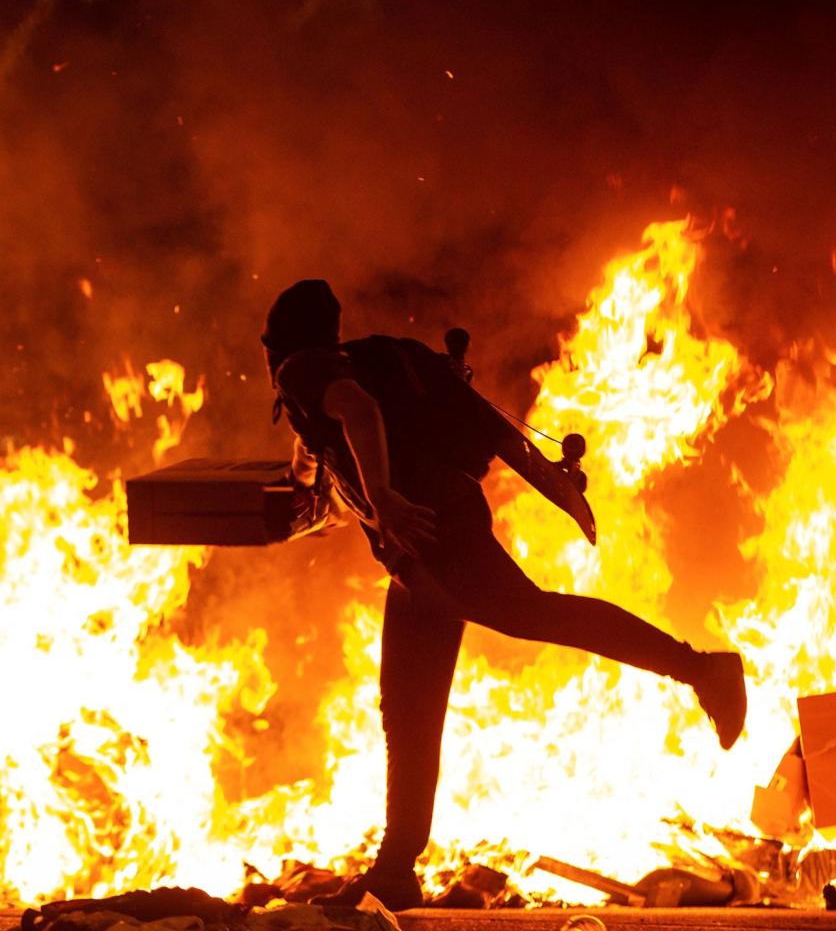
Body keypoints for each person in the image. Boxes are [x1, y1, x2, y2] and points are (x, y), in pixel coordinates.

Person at [261, 279, 747, 911]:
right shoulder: (338, 368)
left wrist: (379, 495)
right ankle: (395, 869)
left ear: (275, 342)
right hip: (420, 557)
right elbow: (335, 443)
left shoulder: (302, 371)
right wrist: (308, 492)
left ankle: (702, 668)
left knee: (532, 614)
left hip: (437, 538)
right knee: (407, 705)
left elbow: (357, 412)